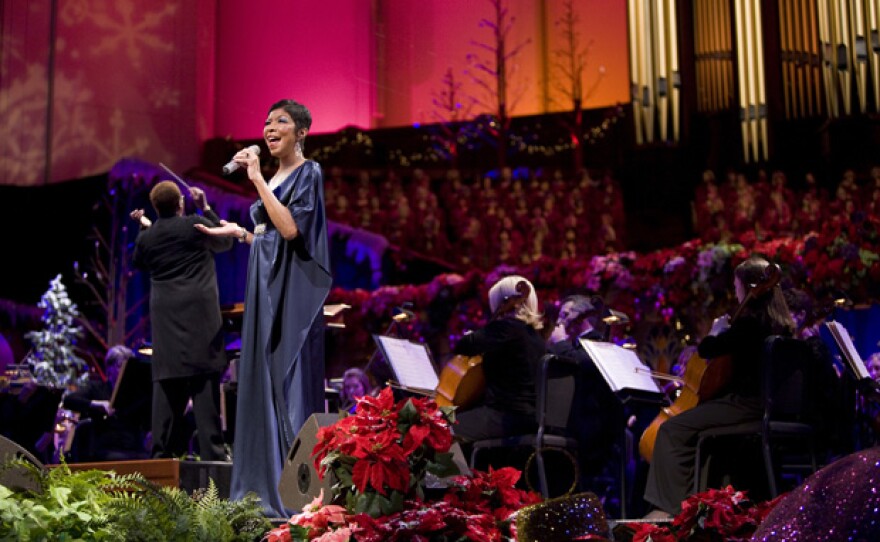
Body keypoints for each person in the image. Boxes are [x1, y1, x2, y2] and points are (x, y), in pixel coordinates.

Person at [195, 99, 332, 518]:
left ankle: (298, 493)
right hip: (264, 287)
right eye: (267, 121)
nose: (270, 128)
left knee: (286, 386)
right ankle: (262, 486)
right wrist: (241, 232)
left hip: (289, 296)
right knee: (262, 383)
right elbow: (270, 238)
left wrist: (255, 177)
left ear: (302, 132)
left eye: (281, 122)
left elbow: (291, 230)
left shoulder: (308, 172)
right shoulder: (274, 177)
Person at [643, 256, 795, 518]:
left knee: (672, 429)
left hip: (746, 404)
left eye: (736, 286)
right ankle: (697, 503)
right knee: (701, 433)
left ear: (747, 287)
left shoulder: (748, 324)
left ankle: (668, 509)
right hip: (766, 405)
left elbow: (707, 349)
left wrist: (716, 330)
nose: (735, 293)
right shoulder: (783, 325)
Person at [132, 181, 231, 463]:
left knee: (167, 393)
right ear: (181, 204)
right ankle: (213, 459)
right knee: (204, 391)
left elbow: (139, 263)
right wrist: (207, 208)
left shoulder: (146, 238)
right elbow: (223, 241)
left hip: (167, 325)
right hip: (201, 321)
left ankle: (161, 461)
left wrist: (146, 228)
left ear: (155, 207)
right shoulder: (194, 225)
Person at [450, 275, 546, 447]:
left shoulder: (506, 328)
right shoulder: (535, 336)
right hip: (532, 416)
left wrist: (477, 332)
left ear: (503, 303)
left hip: (505, 415)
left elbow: (464, 345)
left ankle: (456, 475)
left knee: (439, 430)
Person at [62, 345, 149, 461]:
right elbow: (69, 400)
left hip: (133, 447)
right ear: (109, 368)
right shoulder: (97, 388)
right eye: (120, 366)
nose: (123, 371)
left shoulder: (134, 392)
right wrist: (97, 404)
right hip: (105, 448)